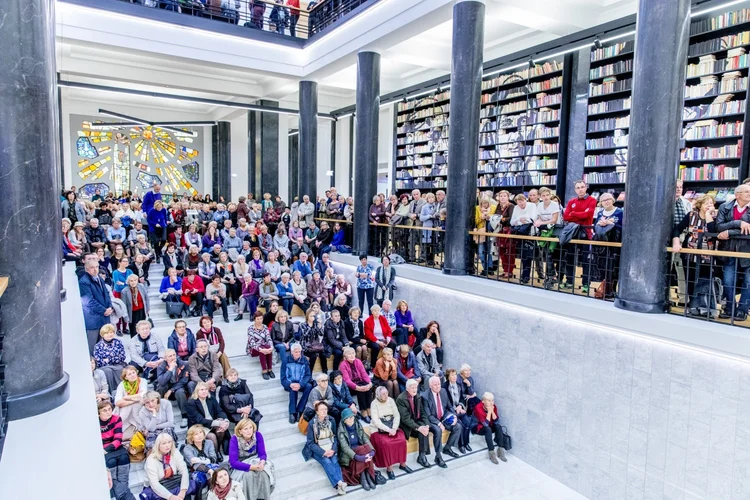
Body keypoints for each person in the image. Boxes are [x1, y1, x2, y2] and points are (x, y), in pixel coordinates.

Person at [672, 194, 722, 316]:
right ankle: (693, 306)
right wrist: (676, 242)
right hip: (690, 253)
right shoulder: (691, 215)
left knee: (705, 280)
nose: (709, 206)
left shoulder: (716, 216)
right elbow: (677, 228)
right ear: (700, 205)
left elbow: (712, 232)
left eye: (711, 203)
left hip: (708, 254)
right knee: (690, 279)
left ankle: (706, 308)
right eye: (706, 204)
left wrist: (709, 215)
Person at [716, 184, 750, 320]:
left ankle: (742, 310)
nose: (749, 194)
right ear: (737, 195)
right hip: (728, 250)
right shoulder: (725, 207)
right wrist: (738, 223)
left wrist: (729, 231)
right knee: (728, 280)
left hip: (747, 251)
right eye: (746, 192)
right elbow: (718, 226)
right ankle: (729, 308)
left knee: (749, 281)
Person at [302, 402, 348, 496]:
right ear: (317, 412)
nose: (324, 411)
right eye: (321, 409)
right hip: (318, 448)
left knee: (334, 460)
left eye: (325, 409)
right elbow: (310, 443)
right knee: (327, 462)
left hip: (330, 446)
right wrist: (324, 452)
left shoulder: (331, 420)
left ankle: (339, 487)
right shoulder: (312, 424)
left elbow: (335, 437)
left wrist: (333, 449)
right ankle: (340, 482)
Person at [369, 385, 411, 479]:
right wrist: (388, 430)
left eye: (387, 393)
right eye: (383, 394)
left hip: (392, 426)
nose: (386, 395)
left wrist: (394, 428)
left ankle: (402, 464)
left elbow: (397, 415)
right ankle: (389, 468)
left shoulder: (391, 400)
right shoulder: (374, 403)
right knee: (386, 443)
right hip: (378, 429)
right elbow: (376, 421)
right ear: (378, 395)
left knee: (401, 439)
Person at [562, 180, 597, 290]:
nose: (580, 189)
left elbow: (588, 214)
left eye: (582, 187)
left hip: (586, 233)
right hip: (572, 233)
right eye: (578, 188)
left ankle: (586, 284)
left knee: (585, 260)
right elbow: (566, 217)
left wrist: (574, 213)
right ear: (575, 190)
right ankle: (569, 281)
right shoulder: (572, 201)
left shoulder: (592, 200)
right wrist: (580, 215)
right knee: (570, 258)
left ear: (586, 187)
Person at [228, 418, 274, 499]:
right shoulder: (234, 439)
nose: (249, 431)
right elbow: (233, 462)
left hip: (254, 460)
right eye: (245, 429)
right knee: (248, 475)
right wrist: (252, 467)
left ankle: (262, 497)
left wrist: (262, 462)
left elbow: (262, 454)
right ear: (240, 431)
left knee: (263, 473)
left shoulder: (258, 435)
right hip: (240, 463)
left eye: (250, 428)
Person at [421, 375, 462, 467]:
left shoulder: (443, 391)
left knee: (458, 426)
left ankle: (447, 448)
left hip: (443, 417)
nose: (438, 386)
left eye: (439, 384)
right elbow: (428, 415)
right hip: (432, 420)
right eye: (435, 385)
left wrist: (454, 416)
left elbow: (449, 406)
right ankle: (438, 456)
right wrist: (439, 423)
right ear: (430, 385)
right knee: (438, 430)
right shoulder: (425, 396)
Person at [141, 433, 197, 500]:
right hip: (157, 486)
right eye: (164, 443)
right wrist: (170, 497)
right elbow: (154, 484)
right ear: (158, 446)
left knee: (186, 494)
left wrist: (183, 491)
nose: (167, 445)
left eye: (169, 442)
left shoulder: (175, 452)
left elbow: (184, 470)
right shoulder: (151, 460)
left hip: (173, 482)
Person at [337, 407, 378, 490]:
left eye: (352, 417)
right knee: (361, 450)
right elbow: (345, 448)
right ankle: (364, 476)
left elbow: (364, 438)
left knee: (365, 448)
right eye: (348, 418)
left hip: (360, 451)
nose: (351, 419)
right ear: (344, 420)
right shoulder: (341, 431)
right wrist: (357, 457)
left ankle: (366, 475)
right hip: (350, 455)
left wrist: (372, 450)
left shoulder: (357, 424)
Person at [396, 379, 432, 469]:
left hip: (416, 422)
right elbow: (405, 419)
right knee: (421, 430)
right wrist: (418, 427)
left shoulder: (417, 396)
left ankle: (422, 456)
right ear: (407, 388)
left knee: (424, 429)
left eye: (416, 387)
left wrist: (426, 424)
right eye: (412, 388)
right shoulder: (401, 399)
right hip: (406, 426)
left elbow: (423, 412)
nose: (415, 389)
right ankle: (422, 456)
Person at [187, 381, 231, 456]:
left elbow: (219, 411)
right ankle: (215, 453)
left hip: (211, 423)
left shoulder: (211, 398)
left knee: (221, 430)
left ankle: (217, 451)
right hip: (199, 426)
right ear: (197, 391)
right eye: (201, 390)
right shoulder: (191, 402)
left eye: (206, 389)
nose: (204, 391)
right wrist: (218, 423)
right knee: (212, 436)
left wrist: (226, 421)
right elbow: (199, 420)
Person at [80, 260, 114, 354]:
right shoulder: (84, 282)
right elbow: (88, 301)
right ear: (87, 269)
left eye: (96, 267)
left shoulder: (98, 277)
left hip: (105, 317)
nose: (95, 270)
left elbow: (106, 294)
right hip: (93, 320)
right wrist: (103, 310)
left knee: (105, 345)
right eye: (92, 267)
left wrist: (110, 307)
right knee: (93, 347)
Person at [99, 400, 132, 499]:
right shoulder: (95, 422)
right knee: (111, 461)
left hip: (115, 446)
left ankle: (123, 486)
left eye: (109, 409)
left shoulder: (116, 419)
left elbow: (118, 439)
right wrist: (104, 450)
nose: (108, 412)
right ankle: (114, 489)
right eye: (104, 410)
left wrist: (108, 449)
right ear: (98, 412)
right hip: (103, 448)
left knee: (124, 457)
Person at [156, 348, 191, 427]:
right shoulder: (161, 366)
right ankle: (161, 413)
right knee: (161, 387)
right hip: (166, 389)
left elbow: (184, 381)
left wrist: (171, 390)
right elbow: (161, 381)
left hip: (178, 388)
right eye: (170, 356)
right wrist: (170, 369)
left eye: (174, 355)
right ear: (165, 358)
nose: (173, 357)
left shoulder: (184, 364)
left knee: (180, 392)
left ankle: (184, 416)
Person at [472, 392, 508, 464]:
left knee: (498, 426)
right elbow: (485, 424)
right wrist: (489, 412)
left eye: (492, 400)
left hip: (489, 426)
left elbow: (497, 422)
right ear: (483, 401)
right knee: (488, 429)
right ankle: (491, 452)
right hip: (478, 427)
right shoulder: (478, 408)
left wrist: (492, 412)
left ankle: (500, 449)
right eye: (489, 400)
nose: (491, 403)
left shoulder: (494, 406)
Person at [183, 425, 220, 494]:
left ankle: (212, 495)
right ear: (191, 437)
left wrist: (199, 460)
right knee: (208, 475)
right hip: (195, 471)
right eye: (196, 434)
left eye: (201, 432)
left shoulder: (209, 442)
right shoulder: (187, 448)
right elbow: (195, 465)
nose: (199, 435)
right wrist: (209, 470)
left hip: (211, 467)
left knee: (214, 473)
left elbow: (214, 459)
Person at [443, 368, 473, 454]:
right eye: (452, 375)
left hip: (459, 408)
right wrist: (455, 409)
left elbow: (462, 398)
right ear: (448, 376)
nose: (454, 377)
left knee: (468, 421)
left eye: (455, 374)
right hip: (450, 411)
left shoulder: (459, 385)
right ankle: (461, 445)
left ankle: (466, 443)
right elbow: (445, 403)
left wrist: (460, 406)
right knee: (460, 424)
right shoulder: (444, 387)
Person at [114, 365, 148, 440]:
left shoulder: (142, 381)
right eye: (129, 374)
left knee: (135, 406)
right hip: (126, 410)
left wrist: (126, 398)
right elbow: (117, 402)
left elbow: (143, 396)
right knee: (131, 406)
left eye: (134, 372)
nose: (133, 375)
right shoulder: (122, 385)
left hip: (138, 408)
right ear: (125, 377)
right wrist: (134, 400)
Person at [282, 343, 313, 424]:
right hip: (290, 383)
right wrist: (289, 384)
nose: (298, 354)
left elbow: (307, 375)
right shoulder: (286, 360)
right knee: (293, 389)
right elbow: (283, 378)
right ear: (292, 352)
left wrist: (301, 384)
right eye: (296, 352)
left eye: (299, 352)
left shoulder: (304, 360)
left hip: (300, 383)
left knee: (309, 386)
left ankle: (300, 410)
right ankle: (292, 412)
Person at [339, 347, 373, 421]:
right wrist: (357, 387)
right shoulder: (343, 364)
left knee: (367, 386)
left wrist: (369, 383)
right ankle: (363, 411)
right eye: (349, 354)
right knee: (361, 389)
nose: (352, 355)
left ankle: (369, 409)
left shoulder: (358, 361)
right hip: (349, 387)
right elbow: (347, 380)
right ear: (345, 357)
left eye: (353, 353)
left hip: (359, 382)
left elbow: (364, 374)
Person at [94, 324, 128, 393]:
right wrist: (114, 358)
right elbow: (99, 361)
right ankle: (112, 391)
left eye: (111, 332)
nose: (110, 334)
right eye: (107, 333)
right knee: (108, 371)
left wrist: (108, 359)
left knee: (119, 369)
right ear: (102, 334)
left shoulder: (118, 342)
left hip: (118, 364)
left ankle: (122, 391)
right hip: (105, 367)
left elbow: (122, 357)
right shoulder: (98, 346)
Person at [247, 310, 275, 380]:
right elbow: (252, 343)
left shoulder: (265, 327)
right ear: (254, 319)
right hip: (253, 349)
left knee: (268, 346)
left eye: (261, 318)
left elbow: (268, 338)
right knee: (262, 349)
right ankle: (264, 370)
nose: (260, 320)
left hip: (264, 346)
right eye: (258, 319)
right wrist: (261, 349)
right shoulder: (250, 329)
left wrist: (271, 347)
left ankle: (270, 369)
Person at [298, 308, 328, 373]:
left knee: (323, 353)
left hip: (314, 346)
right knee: (313, 356)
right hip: (305, 346)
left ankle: (325, 371)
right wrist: (310, 325)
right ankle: (309, 374)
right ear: (307, 316)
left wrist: (320, 326)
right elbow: (304, 334)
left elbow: (321, 334)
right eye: (311, 316)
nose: (313, 317)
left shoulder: (316, 325)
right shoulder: (302, 325)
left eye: (314, 316)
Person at [120, 273, 150, 338]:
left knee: (143, 328)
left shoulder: (141, 286)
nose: (133, 282)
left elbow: (146, 298)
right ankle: (135, 344)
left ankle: (144, 340)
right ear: (128, 282)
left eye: (135, 280)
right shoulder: (124, 291)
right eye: (131, 281)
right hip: (132, 313)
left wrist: (148, 309)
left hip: (142, 311)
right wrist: (125, 317)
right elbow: (123, 306)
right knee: (134, 330)